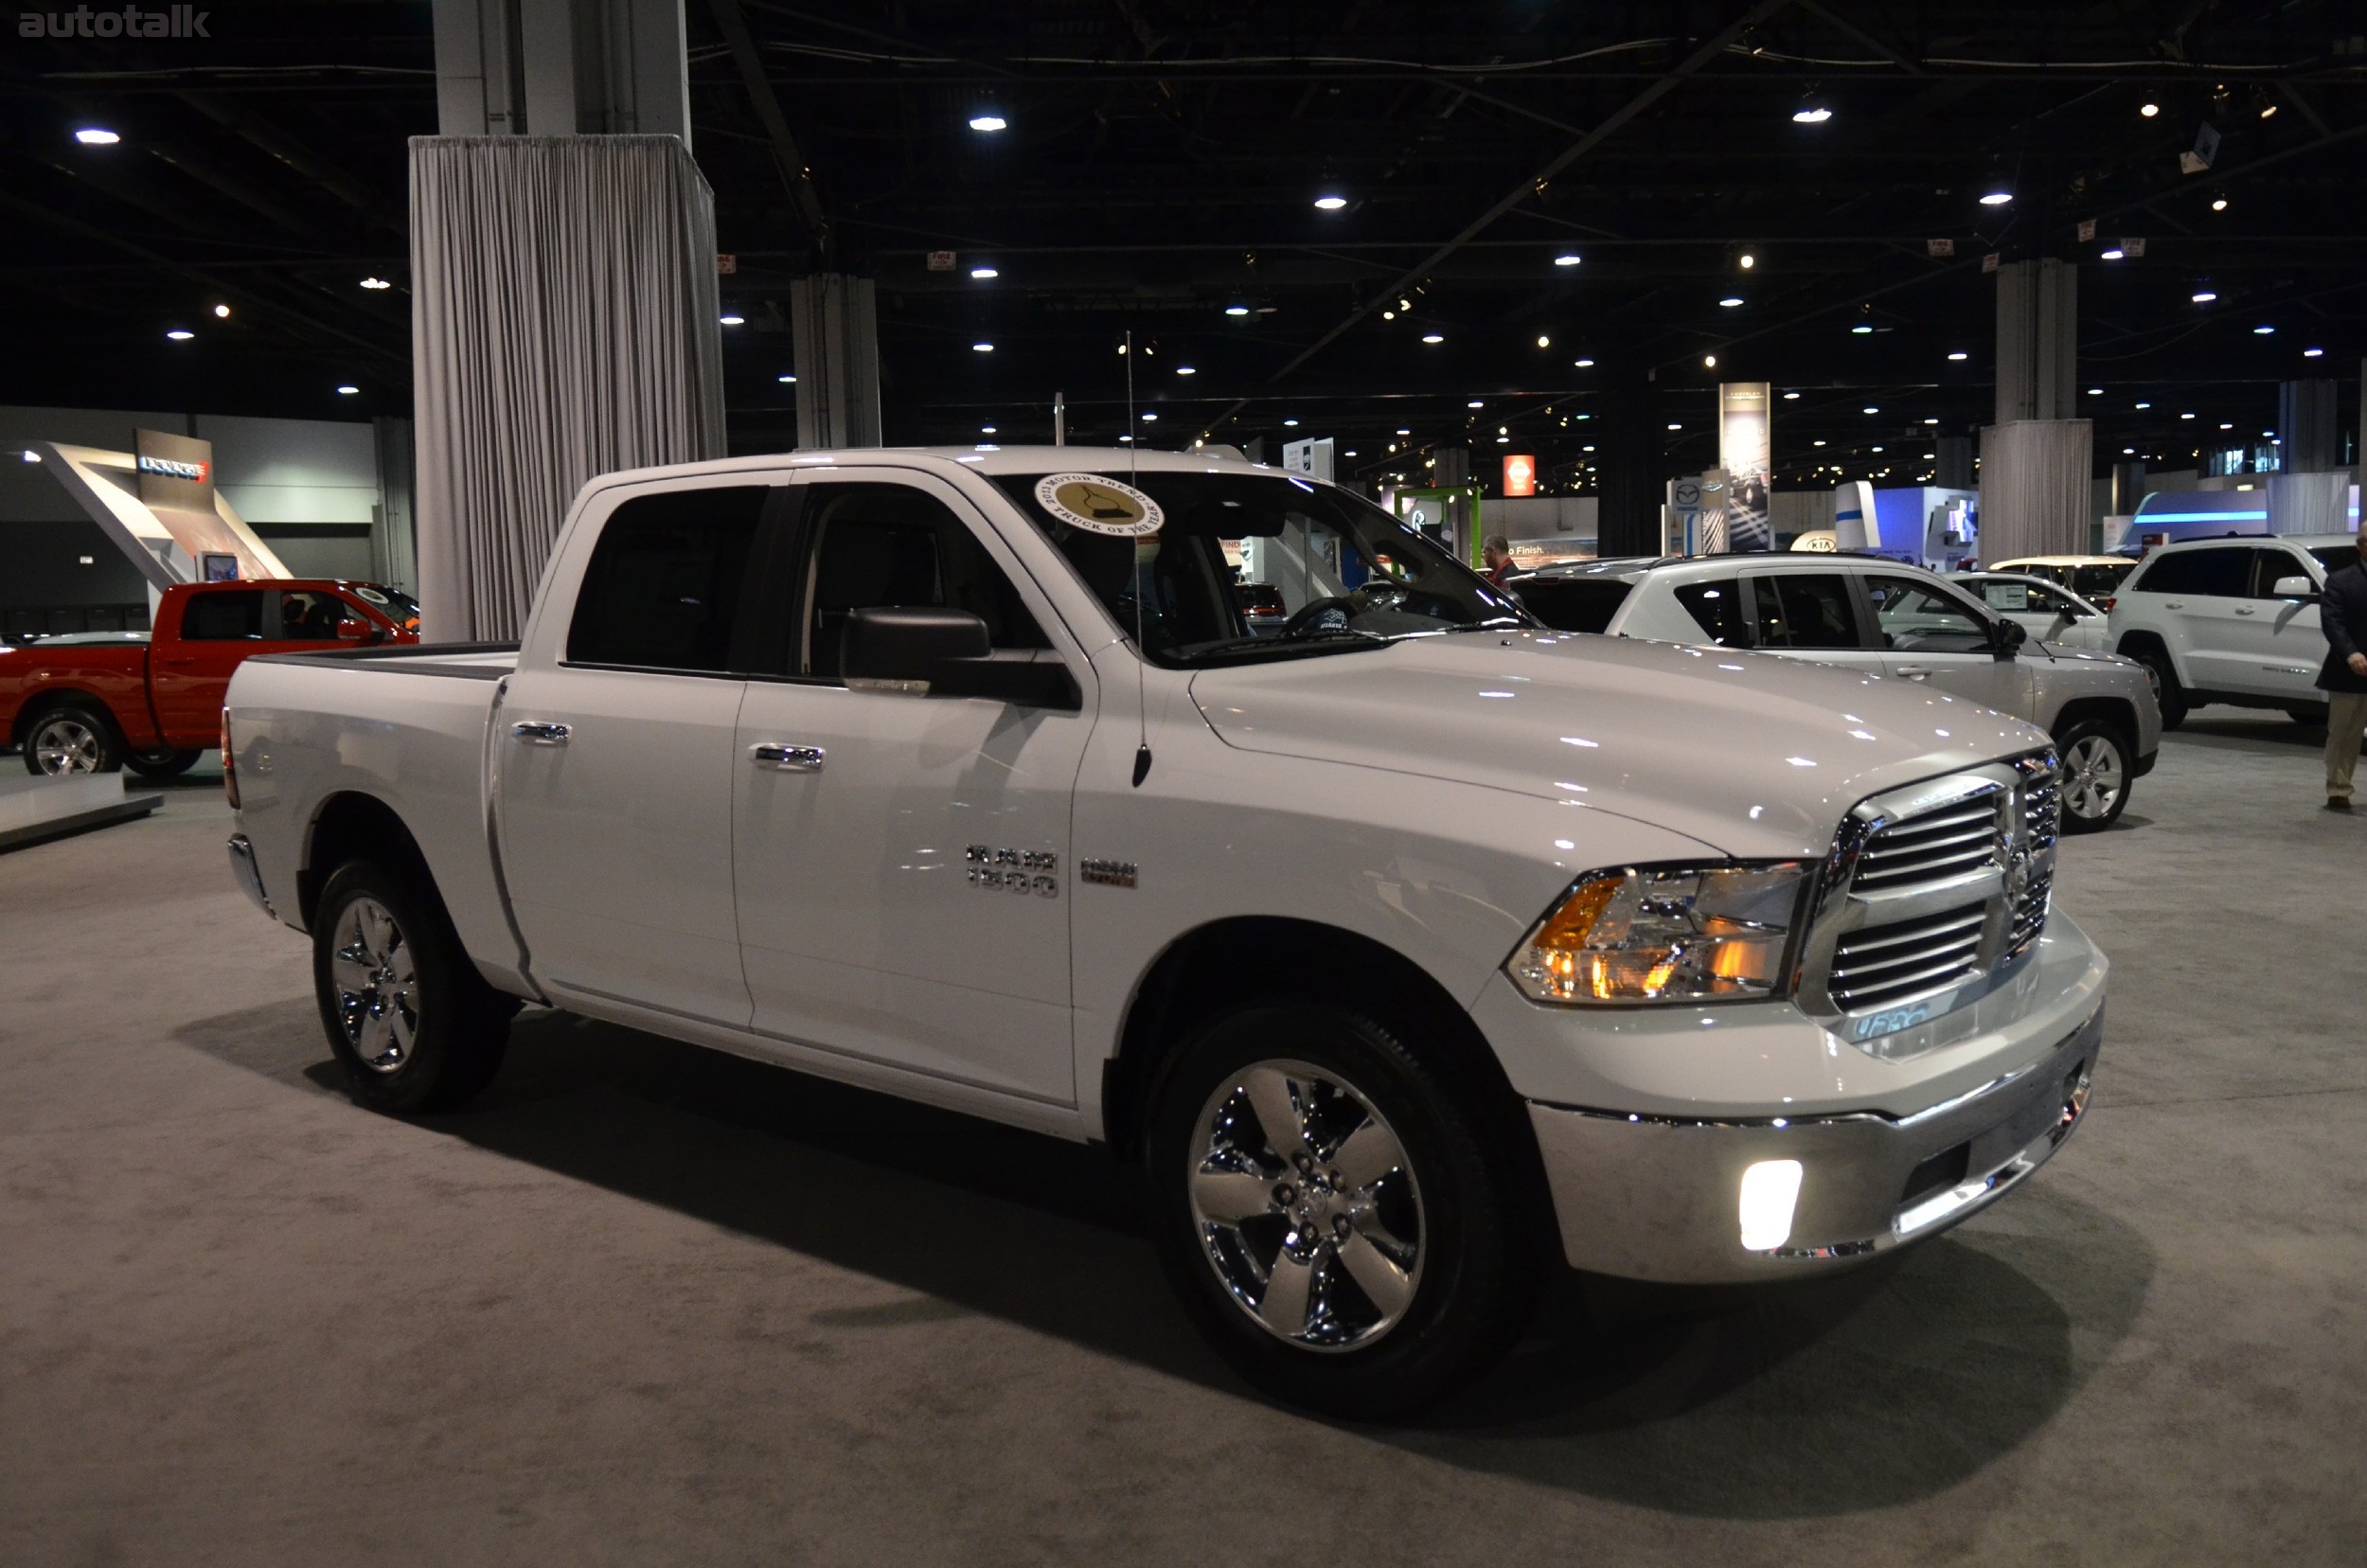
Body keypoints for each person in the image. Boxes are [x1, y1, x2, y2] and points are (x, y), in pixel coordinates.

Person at [2320, 529, 2367, 811]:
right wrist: (2350, 653)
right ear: (2362, 546)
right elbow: (2332, 622)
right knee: (2345, 733)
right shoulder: (2340, 581)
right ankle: (2338, 788)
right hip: (2351, 671)